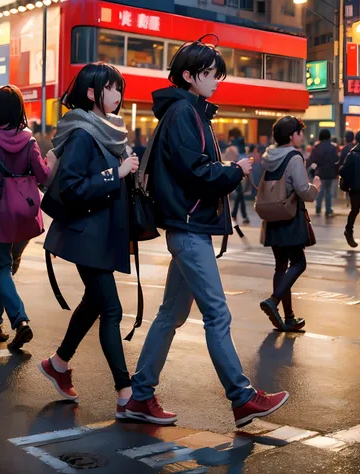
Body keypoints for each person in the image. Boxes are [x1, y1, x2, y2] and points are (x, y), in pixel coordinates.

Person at [125, 38, 289, 428]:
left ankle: (140, 395)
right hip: (188, 228)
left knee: (170, 315)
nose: (216, 81)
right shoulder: (185, 112)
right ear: (189, 76)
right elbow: (194, 172)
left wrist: (229, 169)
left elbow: (191, 168)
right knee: (217, 314)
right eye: (211, 74)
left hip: (187, 226)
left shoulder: (187, 111)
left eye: (217, 75)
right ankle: (242, 398)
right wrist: (236, 170)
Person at [39, 63, 139, 417]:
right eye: (112, 88)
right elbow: (71, 187)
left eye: (120, 89)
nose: (119, 95)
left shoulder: (108, 132)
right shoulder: (83, 133)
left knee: (95, 304)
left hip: (97, 234)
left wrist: (124, 168)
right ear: (93, 93)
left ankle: (59, 363)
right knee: (110, 309)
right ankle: (127, 394)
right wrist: (118, 172)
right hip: (85, 236)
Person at [0, 85, 51, 348]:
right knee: (8, 268)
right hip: (26, 214)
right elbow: (44, 177)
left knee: (2, 269)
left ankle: (20, 320)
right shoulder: (30, 141)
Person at [259, 117, 321, 331]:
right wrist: (316, 186)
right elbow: (303, 190)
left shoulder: (269, 156)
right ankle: (273, 301)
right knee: (299, 263)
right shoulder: (294, 157)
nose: (301, 136)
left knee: (280, 266)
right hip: (290, 215)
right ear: (291, 135)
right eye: (299, 132)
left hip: (273, 215)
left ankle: (288, 317)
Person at [308, 129, 339, 216]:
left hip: (320, 172)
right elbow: (336, 160)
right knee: (328, 191)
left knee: (320, 190)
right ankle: (328, 209)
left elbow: (312, 159)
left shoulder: (317, 147)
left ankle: (318, 207)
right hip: (330, 173)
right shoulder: (333, 147)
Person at [225, 128, 250, 224]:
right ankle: (238, 214)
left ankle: (238, 215)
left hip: (234, 171)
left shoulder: (231, 147)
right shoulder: (242, 146)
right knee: (240, 195)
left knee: (237, 195)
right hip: (243, 171)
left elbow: (228, 160)